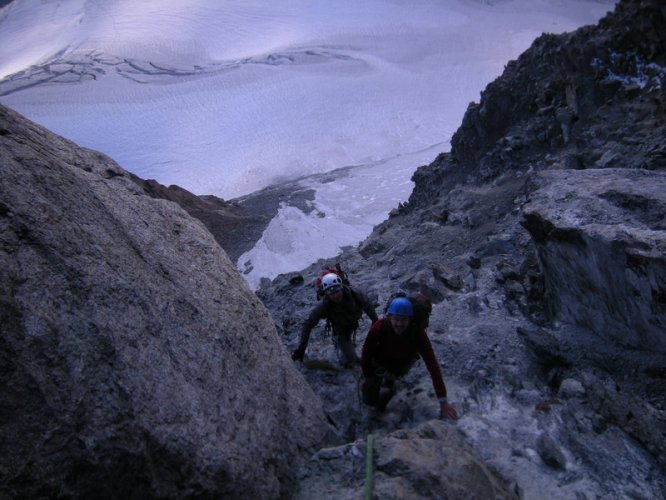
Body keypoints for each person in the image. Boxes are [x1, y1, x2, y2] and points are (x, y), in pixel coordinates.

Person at [361, 297, 458, 419]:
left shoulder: (417, 333)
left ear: (410, 319)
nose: (399, 324)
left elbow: (432, 363)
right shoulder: (379, 327)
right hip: (380, 362)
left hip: (400, 364)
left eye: (404, 320)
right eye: (396, 319)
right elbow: (366, 352)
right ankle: (384, 384)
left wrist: (443, 400)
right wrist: (368, 375)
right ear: (389, 317)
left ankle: (390, 383)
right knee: (368, 399)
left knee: (388, 387)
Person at [292, 273, 379, 367]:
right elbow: (308, 324)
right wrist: (302, 347)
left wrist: (375, 323)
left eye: (337, 290)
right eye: (330, 292)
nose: (335, 295)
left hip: (352, 322)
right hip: (341, 330)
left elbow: (368, 306)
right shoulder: (325, 306)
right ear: (326, 294)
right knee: (352, 360)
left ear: (341, 287)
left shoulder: (356, 294)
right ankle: (343, 351)